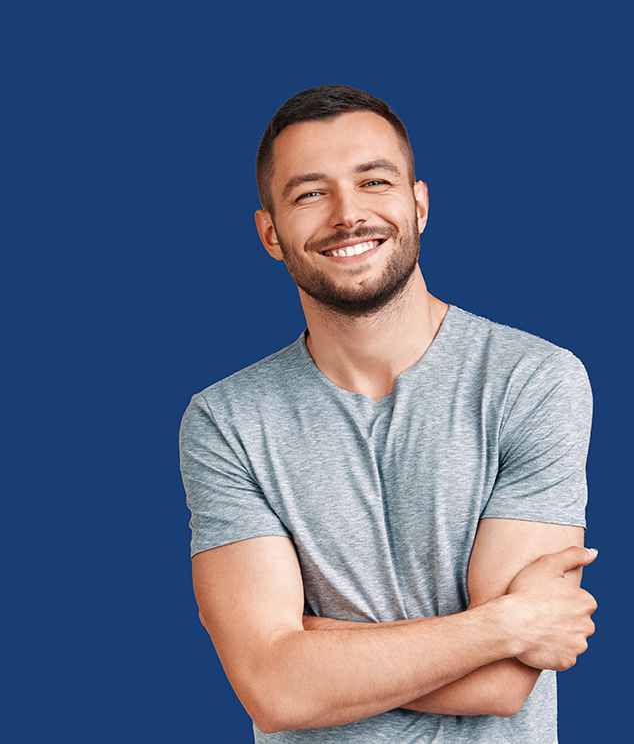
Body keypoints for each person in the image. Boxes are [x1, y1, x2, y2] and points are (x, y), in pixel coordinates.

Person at [180, 85, 597, 742]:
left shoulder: (532, 380)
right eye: (310, 193)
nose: (349, 214)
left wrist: (305, 650)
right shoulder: (227, 421)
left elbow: (503, 683)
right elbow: (274, 690)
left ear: (419, 204)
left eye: (374, 181)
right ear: (270, 233)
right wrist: (506, 624)